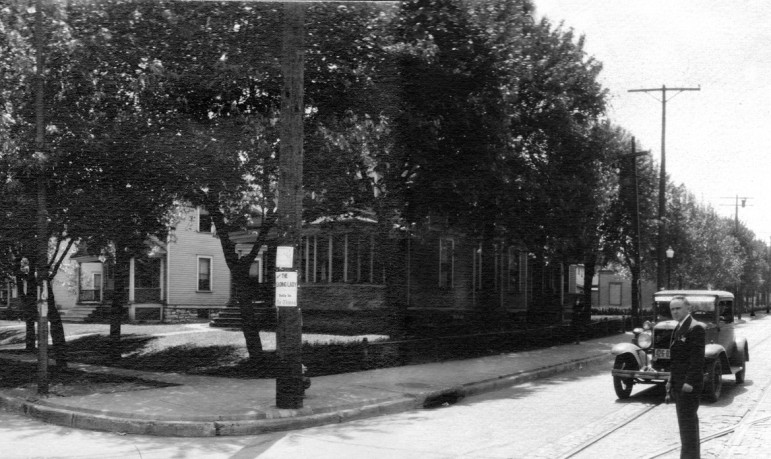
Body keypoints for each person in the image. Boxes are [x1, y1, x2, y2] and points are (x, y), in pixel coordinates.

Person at [666, 295, 705, 459]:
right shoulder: (679, 327)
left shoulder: (695, 328)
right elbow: (676, 360)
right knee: (685, 424)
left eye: (678, 308)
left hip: (688, 386)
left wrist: (688, 382)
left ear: (688, 308)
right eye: (672, 309)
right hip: (678, 383)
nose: (675, 312)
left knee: (688, 424)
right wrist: (670, 380)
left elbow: (697, 359)